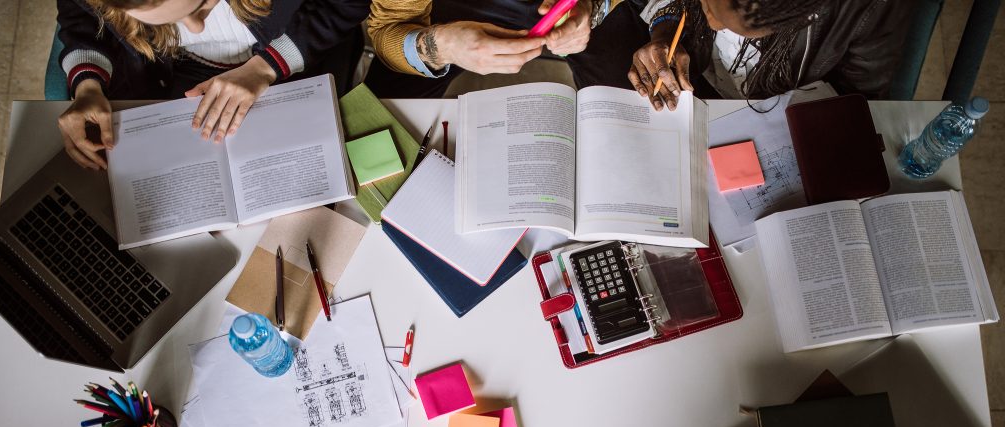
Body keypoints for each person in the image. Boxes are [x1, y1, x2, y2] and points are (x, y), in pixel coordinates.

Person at [56, 0, 370, 169]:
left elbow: (346, 5)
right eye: (168, 20)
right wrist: (88, 85)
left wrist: (267, 66)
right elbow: (80, 19)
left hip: (296, 57)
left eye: (201, 5)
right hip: (167, 71)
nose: (196, 26)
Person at [628, 0, 909, 111]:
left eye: (725, 22)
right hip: (702, 84)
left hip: (779, 110)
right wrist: (665, 28)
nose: (711, 23)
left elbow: (859, 96)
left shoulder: (870, 8)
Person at [363, 0, 630, 98]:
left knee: (632, 104)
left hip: (579, 6)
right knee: (379, 116)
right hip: (452, 8)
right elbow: (389, 28)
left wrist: (594, 8)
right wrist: (441, 46)